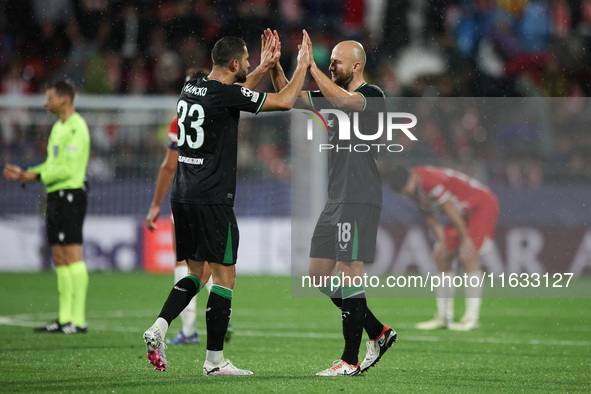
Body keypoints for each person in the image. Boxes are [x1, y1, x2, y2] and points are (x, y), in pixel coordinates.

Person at [142, 30, 311, 375]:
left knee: (196, 272)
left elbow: (232, 91)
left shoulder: (193, 87)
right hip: (213, 198)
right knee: (225, 277)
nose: (248, 64)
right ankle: (214, 362)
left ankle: (160, 325)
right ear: (234, 63)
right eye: (246, 60)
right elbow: (286, 101)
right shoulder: (225, 95)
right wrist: (302, 67)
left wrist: (263, 66)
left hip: (183, 195)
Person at [267, 30, 397, 376]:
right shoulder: (332, 93)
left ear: (355, 65)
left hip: (360, 196)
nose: (330, 64)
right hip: (336, 197)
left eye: (336, 61)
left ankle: (350, 360)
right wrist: (281, 66)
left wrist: (312, 68)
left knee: (348, 272)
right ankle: (378, 332)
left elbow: (342, 101)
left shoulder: (371, 94)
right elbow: (290, 96)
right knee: (318, 276)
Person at [145, 69, 233, 346]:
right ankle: (218, 318)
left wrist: (155, 204)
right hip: (212, 195)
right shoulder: (220, 111)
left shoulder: (179, 119)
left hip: (184, 195)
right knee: (216, 269)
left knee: (189, 266)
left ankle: (188, 328)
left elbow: (170, 164)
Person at [3, 79, 90, 334]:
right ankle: (64, 318)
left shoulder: (77, 127)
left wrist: (34, 176)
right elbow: (52, 165)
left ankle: (79, 319)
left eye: (50, 98)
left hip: (71, 194)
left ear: (65, 99)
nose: (45, 103)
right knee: (60, 256)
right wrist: (26, 173)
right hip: (54, 194)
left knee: (73, 254)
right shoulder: (58, 128)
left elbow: (68, 169)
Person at [388, 165, 500, 331]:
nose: (405, 195)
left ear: (411, 179)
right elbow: (429, 216)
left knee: (468, 255)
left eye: (405, 190)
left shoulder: (428, 182)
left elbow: (449, 210)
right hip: (462, 211)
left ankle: (471, 318)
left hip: (480, 205)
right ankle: (444, 317)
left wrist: (466, 239)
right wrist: (443, 242)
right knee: (441, 256)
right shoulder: (415, 185)